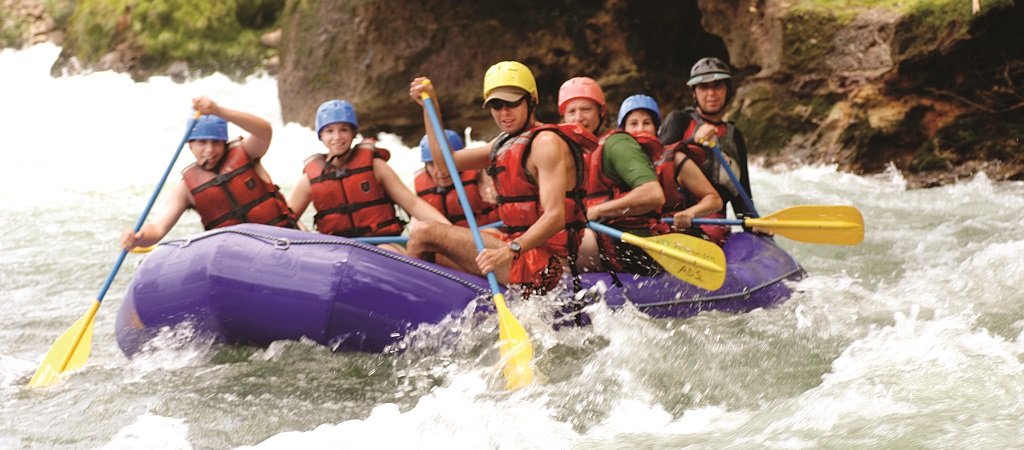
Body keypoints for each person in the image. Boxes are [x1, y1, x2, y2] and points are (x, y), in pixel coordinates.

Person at [406, 61, 598, 296]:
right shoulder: (504, 142)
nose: (504, 112)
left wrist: (510, 250)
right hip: (519, 252)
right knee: (435, 253)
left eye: (512, 103)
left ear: (531, 101)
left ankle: (407, 302)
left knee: (422, 233)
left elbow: (555, 217)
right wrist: (430, 108)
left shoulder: (546, 143)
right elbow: (445, 163)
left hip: (544, 265)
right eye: (496, 105)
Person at [120, 96, 297, 251]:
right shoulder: (185, 189)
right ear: (190, 145)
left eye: (216, 143)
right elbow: (158, 228)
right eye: (202, 143)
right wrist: (139, 237)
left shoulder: (248, 153)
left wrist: (219, 111)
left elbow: (264, 131)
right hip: (240, 257)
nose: (210, 150)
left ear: (225, 143)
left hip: (283, 244)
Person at [286, 99, 450, 254]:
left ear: (353, 132)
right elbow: (285, 220)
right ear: (321, 135)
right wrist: (303, 232)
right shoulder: (309, 180)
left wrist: (450, 230)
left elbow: (413, 204)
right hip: (337, 251)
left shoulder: (375, 166)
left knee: (386, 250)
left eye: (344, 130)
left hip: (381, 244)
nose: (337, 137)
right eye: (329, 131)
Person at [558, 77, 668, 276]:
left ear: (601, 113)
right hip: (595, 236)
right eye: (571, 112)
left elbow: (654, 195)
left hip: (630, 242)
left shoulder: (617, 144)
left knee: (556, 247)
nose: (578, 118)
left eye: (586, 110)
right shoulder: (567, 152)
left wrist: (598, 210)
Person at [658, 57, 757, 244]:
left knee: (715, 231)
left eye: (717, 86)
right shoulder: (679, 120)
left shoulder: (735, 136)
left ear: (728, 90)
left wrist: (753, 224)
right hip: (676, 216)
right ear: (695, 92)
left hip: (714, 221)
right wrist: (692, 141)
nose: (711, 93)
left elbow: (742, 195)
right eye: (704, 87)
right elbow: (659, 163)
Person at [617, 94, 722, 241]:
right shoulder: (612, 164)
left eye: (647, 123)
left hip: (674, 235)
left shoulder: (675, 160)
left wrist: (691, 213)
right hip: (630, 234)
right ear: (623, 130)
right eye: (633, 124)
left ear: (656, 128)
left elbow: (714, 200)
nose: (641, 129)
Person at [413, 129, 501, 229]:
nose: (440, 171)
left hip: (486, 232)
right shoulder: (419, 186)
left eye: (445, 162)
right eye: (431, 164)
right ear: (425, 166)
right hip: (447, 236)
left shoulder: (481, 175)